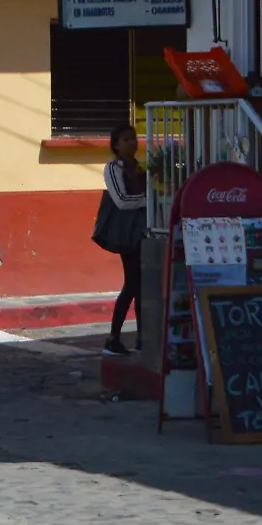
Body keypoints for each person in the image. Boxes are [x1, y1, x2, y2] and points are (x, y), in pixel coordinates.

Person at [102, 122, 148, 357]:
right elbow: (121, 200)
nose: (132, 143)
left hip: (142, 231)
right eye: (126, 139)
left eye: (134, 138)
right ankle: (113, 337)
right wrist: (149, 200)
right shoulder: (112, 168)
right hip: (126, 233)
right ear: (116, 145)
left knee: (140, 286)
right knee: (132, 283)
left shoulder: (139, 167)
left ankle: (141, 337)